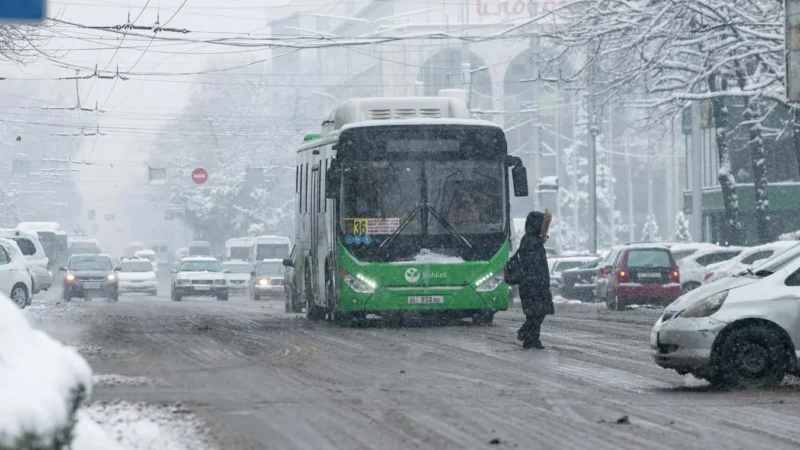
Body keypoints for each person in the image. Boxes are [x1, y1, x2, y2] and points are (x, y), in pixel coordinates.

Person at [507, 211, 554, 349]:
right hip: (534, 285)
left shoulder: (528, 239)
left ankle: (532, 339)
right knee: (538, 313)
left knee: (534, 313)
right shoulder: (532, 242)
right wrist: (540, 281)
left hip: (531, 284)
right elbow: (534, 265)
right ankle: (526, 334)